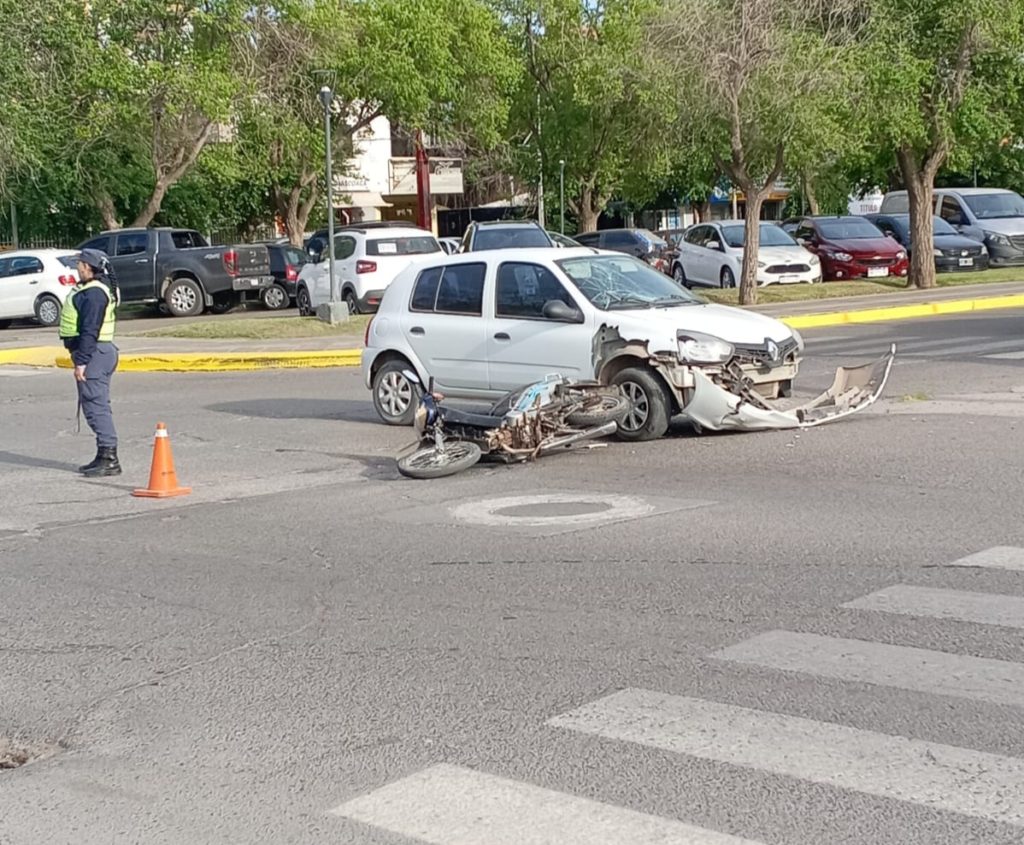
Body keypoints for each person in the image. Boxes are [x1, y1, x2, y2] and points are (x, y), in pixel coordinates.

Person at [59, 248, 121, 477]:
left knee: (96, 407)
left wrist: (82, 362)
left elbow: (90, 330)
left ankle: (109, 458)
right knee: (95, 405)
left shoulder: (94, 293)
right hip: (96, 353)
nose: (77, 267)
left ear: (88, 266)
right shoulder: (91, 289)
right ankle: (102, 454)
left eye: (80, 264)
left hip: (94, 354)